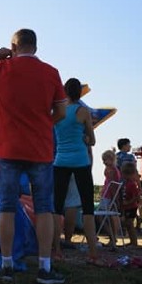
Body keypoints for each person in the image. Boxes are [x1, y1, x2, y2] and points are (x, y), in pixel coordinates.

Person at [0, 28, 67, 284]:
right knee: (43, 208)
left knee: (6, 207)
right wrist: (43, 124)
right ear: (36, 47)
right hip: (40, 149)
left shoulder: (1, 68)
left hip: (8, 149)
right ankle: (44, 267)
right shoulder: (51, 73)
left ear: (13, 46)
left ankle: (6, 264)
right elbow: (61, 112)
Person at [52, 78, 101, 263]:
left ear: (64, 92)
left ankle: (57, 250)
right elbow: (92, 140)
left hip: (61, 161)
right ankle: (93, 253)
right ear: (79, 93)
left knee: (57, 208)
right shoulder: (83, 112)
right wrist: (85, 139)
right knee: (88, 208)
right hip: (81, 161)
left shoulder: (58, 111)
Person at [97, 149, 123, 250]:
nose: (104, 162)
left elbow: (112, 186)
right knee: (108, 217)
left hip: (108, 196)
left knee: (100, 216)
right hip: (107, 195)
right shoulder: (113, 169)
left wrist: (114, 199)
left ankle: (112, 236)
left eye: (105, 160)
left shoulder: (111, 170)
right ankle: (112, 237)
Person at [119, 161, 141, 247]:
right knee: (127, 225)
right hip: (126, 207)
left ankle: (134, 242)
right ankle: (132, 241)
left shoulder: (131, 184)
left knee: (130, 224)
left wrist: (128, 202)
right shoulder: (126, 183)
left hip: (131, 207)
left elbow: (136, 196)